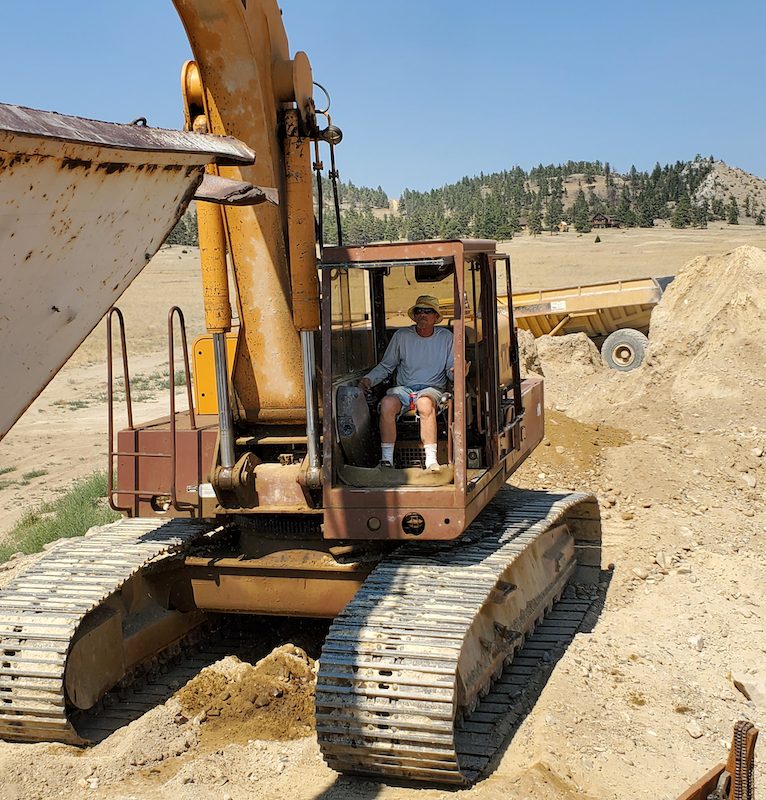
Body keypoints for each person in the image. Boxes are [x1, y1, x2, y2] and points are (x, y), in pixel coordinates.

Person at [359, 295, 453, 471]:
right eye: (419, 311)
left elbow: (451, 371)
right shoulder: (401, 336)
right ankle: (387, 461)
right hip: (404, 390)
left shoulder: (446, 338)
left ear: (435, 317)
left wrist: (460, 372)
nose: (422, 315)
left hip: (432, 389)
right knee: (387, 404)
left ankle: (431, 461)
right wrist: (369, 379)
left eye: (427, 311)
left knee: (424, 403)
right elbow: (387, 365)